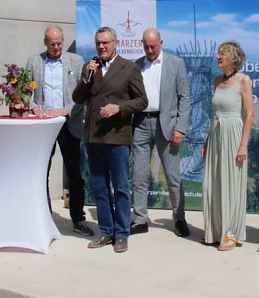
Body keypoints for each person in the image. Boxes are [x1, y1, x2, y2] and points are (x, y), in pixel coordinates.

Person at [73, 26, 147, 253]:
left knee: (121, 188)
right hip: (94, 136)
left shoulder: (129, 68)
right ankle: (106, 231)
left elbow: (141, 101)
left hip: (117, 137)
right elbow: (78, 97)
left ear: (116, 43)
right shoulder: (90, 67)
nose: (101, 47)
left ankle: (122, 233)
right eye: (98, 43)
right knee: (99, 187)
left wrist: (119, 108)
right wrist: (86, 78)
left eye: (105, 42)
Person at [27, 25, 94, 237]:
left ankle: (78, 219)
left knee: (74, 173)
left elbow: (83, 94)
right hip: (43, 125)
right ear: (45, 43)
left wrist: (65, 110)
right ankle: (44, 216)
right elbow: (24, 92)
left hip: (69, 124)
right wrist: (34, 108)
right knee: (41, 172)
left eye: (59, 43)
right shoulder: (34, 62)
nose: (56, 47)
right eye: (52, 44)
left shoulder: (76, 61)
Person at [131, 28, 192, 237]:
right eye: (146, 46)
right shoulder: (136, 66)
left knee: (173, 176)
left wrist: (180, 128)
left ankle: (179, 218)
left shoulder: (176, 63)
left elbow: (184, 98)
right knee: (139, 175)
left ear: (161, 43)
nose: (150, 50)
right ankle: (140, 218)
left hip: (167, 124)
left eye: (153, 46)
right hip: (140, 123)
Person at [201, 41, 254, 251]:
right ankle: (215, 231)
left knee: (231, 183)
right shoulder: (217, 81)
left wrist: (243, 145)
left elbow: (249, 115)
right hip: (216, 134)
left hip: (233, 134)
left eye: (222, 54)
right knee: (213, 183)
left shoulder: (243, 80)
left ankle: (231, 233)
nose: (218, 57)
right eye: (218, 54)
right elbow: (214, 114)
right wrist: (207, 141)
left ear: (233, 58)